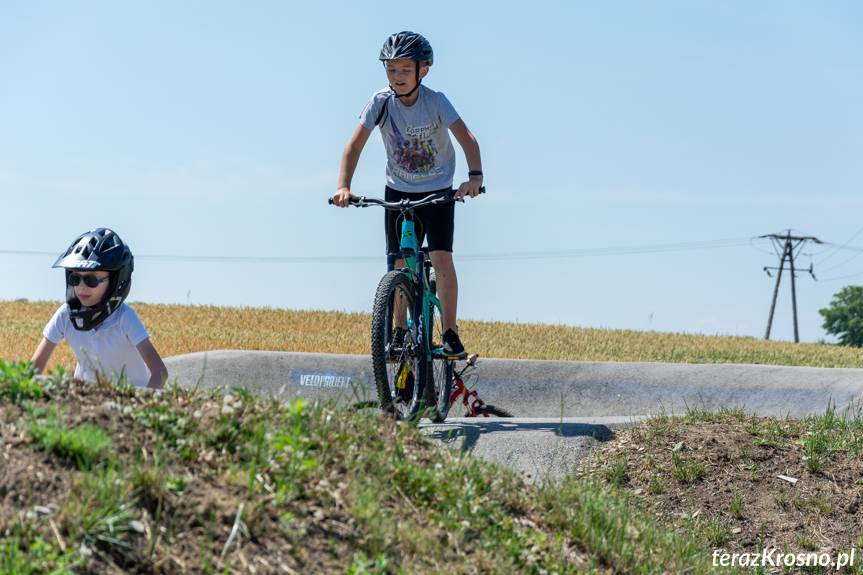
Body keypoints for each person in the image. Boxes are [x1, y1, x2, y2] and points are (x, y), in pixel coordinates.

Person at [333, 30, 483, 357]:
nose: (397, 77)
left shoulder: (436, 102)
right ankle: (399, 330)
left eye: (404, 70)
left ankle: (450, 332)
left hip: (438, 192)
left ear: (423, 70)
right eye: (391, 69)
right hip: (398, 192)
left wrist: (474, 177)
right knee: (398, 264)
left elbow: (468, 139)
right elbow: (354, 145)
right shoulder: (380, 103)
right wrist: (343, 185)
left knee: (441, 258)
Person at [31, 228, 168, 389]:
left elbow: (160, 372)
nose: (82, 286)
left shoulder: (125, 317)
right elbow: (33, 370)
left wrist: (144, 405)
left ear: (116, 281)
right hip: (86, 402)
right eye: (75, 278)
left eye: (91, 280)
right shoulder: (65, 314)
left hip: (130, 402)